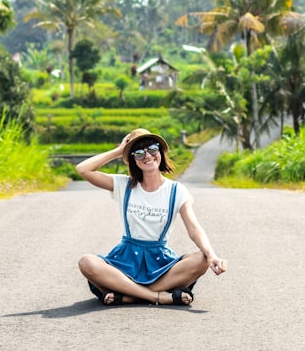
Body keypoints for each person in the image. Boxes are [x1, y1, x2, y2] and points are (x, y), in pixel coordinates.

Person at [76, 128, 228, 306]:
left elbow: (194, 228)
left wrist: (212, 256)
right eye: (139, 153)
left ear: (160, 153)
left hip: (159, 262)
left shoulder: (176, 190)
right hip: (125, 260)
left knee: (201, 259)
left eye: (152, 149)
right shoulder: (123, 185)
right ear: (133, 160)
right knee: (87, 262)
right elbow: (83, 169)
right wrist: (119, 151)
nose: (147, 156)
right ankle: (157, 296)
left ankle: (129, 295)